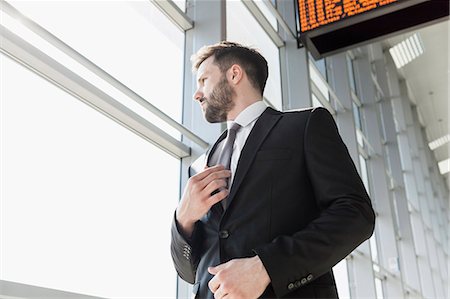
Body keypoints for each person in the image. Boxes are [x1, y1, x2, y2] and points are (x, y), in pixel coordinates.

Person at [171, 41, 375, 299]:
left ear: (234, 74)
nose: (197, 94)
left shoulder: (304, 126)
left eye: (203, 80)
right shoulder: (199, 166)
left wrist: (267, 267)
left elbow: (355, 215)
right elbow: (188, 272)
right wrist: (183, 219)